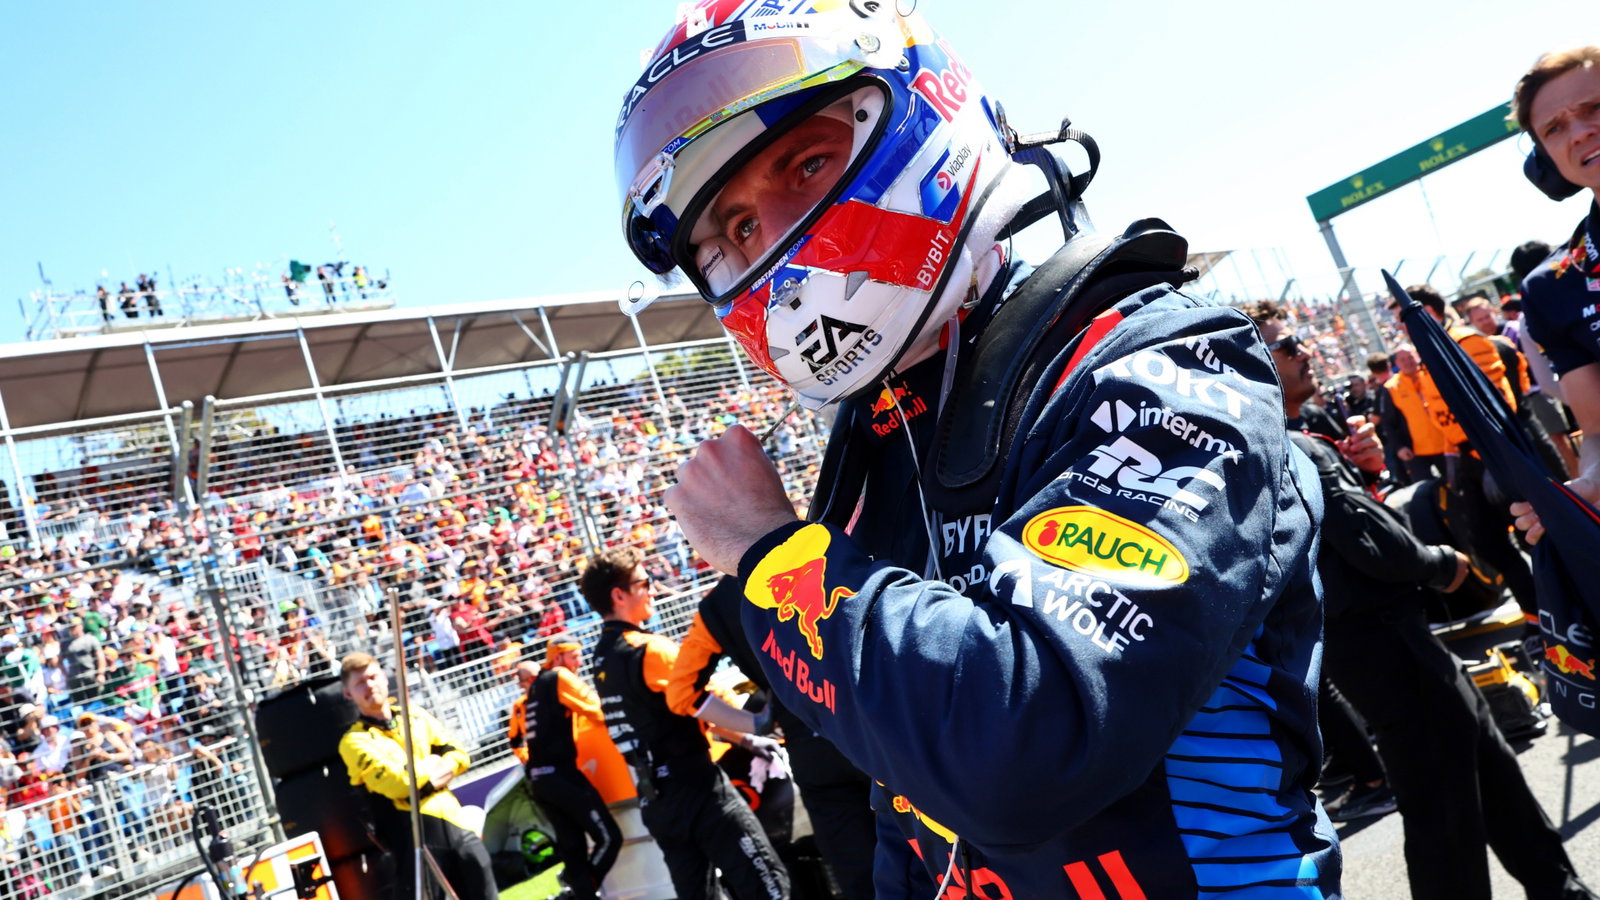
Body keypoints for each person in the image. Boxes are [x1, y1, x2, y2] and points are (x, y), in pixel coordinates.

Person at [615, 3, 1334, 896]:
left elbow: (1024, 745)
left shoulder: (1159, 355)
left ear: (919, 112)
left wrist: (769, 556)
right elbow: (907, 811)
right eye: (737, 232)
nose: (773, 240)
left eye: (805, 163)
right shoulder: (874, 450)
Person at [1246, 299, 1595, 900]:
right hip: (1380, 642)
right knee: (1440, 804)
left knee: (1488, 761)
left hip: (1385, 636)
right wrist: (1444, 565)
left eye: (1301, 340)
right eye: (1286, 345)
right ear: (1254, 366)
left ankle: (1560, 890)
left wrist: (1367, 473)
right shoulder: (1285, 447)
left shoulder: (1298, 440)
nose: (1303, 351)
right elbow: (1367, 542)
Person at [582, 547, 789, 900]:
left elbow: (674, 716)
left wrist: (744, 740)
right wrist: (758, 723)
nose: (653, 589)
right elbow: (696, 700)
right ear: (619, 595)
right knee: (769, 885)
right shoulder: (650, 650)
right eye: (644, 583)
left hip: (655, 801)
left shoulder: (601, 657)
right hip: (699, 789)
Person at [667, 576, 876, 900]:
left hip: (811, 746)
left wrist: (757, 723)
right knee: (928, 851)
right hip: (872, 730)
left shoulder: (716, 604)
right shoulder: (820, 548)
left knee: (859, 875)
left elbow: (681, 693)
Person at [1509, 46, 1600, 545]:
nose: (1581, 131)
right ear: (1544, 162)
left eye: (1594, 108)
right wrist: (1587, 485)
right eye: (1555, 128)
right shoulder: (1553, 286)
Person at [336, 651, 498, 900]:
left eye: (372, 676)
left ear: (384, 678)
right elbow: (399, 786)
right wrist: (434, 765)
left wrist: (424, 778)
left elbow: (460, 755)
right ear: (348, 693)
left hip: (456, 823)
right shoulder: (354, 741)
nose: (370, 685)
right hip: (413, 840)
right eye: (360, 683)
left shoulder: (414, 715)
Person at [505, 642, 622, 900]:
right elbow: (597, 710)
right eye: (574, 657)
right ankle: (577, 887)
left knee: (574, 850)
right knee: (609, 838)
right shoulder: (559, 678)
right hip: (562, 777)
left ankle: (577, 889)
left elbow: (517, 739)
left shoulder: (531, 693)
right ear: (558, 658)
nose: (578, 663)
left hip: (540, 781)